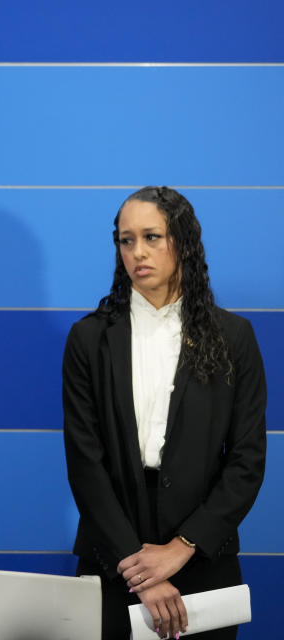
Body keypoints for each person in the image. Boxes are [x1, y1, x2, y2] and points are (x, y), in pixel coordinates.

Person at [62, 187, 266, 640]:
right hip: (112, 557)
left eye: (152, 237)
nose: (138, 252)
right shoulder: (88, 339)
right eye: (126, 240)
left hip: (204, 559)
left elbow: (247, 462)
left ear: (184, 242)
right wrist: (138, 567)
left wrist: (182, 548)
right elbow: (84, 462)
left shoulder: (234, 336)